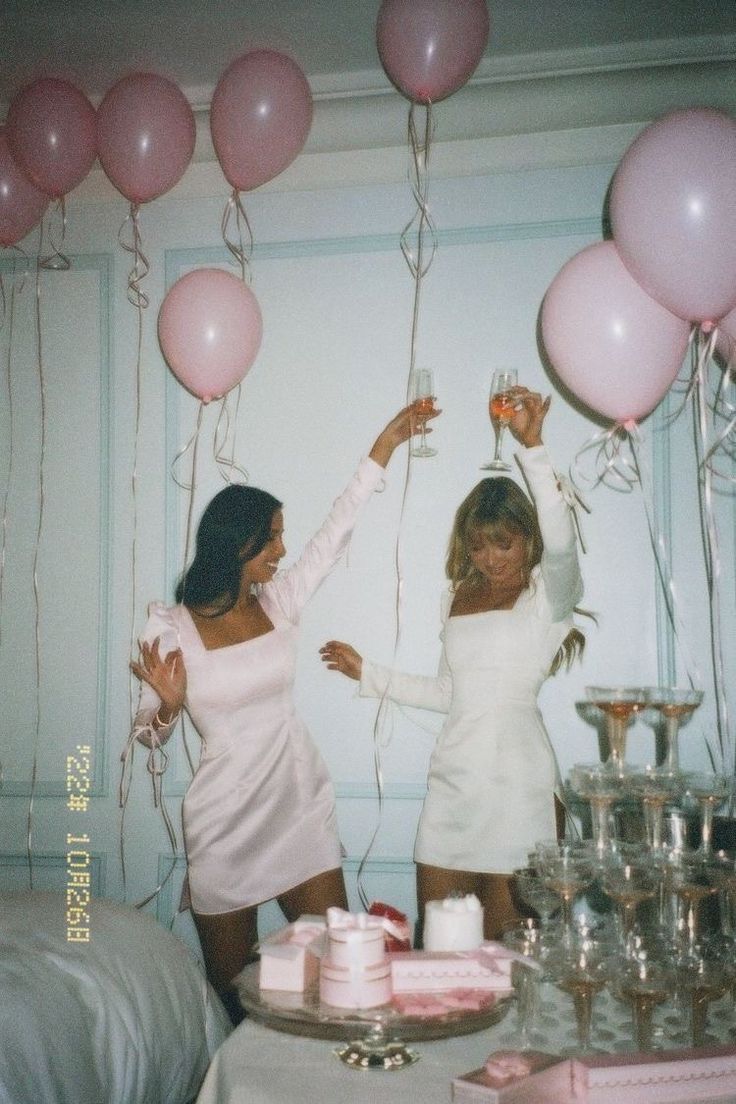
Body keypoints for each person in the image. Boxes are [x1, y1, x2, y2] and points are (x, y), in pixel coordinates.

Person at [129, 401, 437, 1023]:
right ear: (233, 542)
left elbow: (336, 531)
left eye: (278, 535)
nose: (281, 548)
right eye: (270, 537)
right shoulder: (171, 627)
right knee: (234, 992)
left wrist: (385, 444)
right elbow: (148, 735)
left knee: (340, 967)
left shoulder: (280, 602)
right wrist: (167, 707)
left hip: (298, 806)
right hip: (222, 823)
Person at [320, 387, 585, 942]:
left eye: (503, 544)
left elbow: (563, 546)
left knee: (510, 964)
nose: (489, 558)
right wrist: (368, 672)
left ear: (527, 540)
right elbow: (448, 694)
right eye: (478, 545)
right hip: (453, 787)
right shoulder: (454, 597)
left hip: (520, 789)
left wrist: (533, 449)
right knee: (439, 953)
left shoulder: (548, 596)